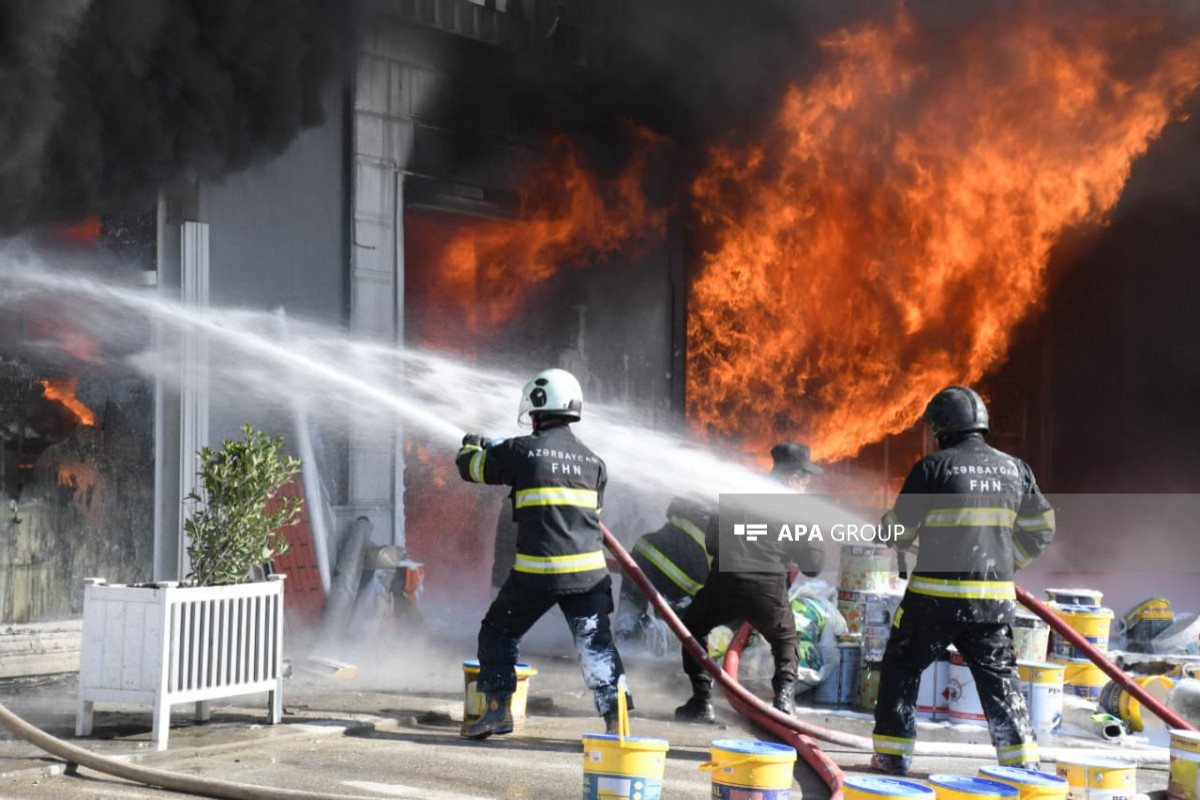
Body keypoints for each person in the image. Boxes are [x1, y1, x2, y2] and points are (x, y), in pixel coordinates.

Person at [871, 386, 1055, 775]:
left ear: (942, 429)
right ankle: (1022, 766)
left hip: (932, 602)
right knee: (1000, 681)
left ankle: (892, 756)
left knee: (902, 665)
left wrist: (886, 529)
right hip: (991, 603)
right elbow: (1042, 529)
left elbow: (901, 530)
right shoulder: (1016, 469)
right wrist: (1005, 563)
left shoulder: (932, 468)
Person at [455, 367, 626, 739]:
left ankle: (497, 712)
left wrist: (472, 445)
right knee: (597, 646)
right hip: (588, 575)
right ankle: (617, 725)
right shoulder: (594, 462)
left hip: (537, 573)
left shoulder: (521, 451)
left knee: (498, 632)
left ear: (539, 407)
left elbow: (471, 468)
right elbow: (594, 515)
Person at [674, 441, 826, 722]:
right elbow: (813, 567)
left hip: (724, 584)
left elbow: (712, 544)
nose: (807, 485)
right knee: (785, 639)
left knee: (692, 627)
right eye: (805, 479)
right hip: (767, 591)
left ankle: (702, 699)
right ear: (793, 478)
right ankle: (784, 701)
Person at [614, 497, 715, 654]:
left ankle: (625, 634)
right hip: (687, 571)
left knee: (632, 596)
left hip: (646, 550)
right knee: (687, 616)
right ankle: (660, 633)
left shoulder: (695, 496)